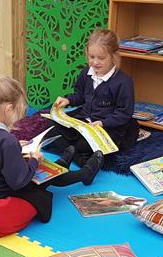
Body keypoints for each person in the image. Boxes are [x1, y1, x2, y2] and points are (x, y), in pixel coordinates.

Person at [0, 72, 104, 223]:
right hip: (0, 190)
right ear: (8, 109)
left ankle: (62, 164)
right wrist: (34, 161)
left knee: (38, 168)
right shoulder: (5, 140)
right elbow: (18, 181)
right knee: (44, 175)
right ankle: (85, 173)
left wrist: (16, 148)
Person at [51, 28, 139, 167]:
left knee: (83, 144)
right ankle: (81, 159)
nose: (95, 62)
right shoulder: (86, 72)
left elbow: (124, 113)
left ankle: (76, 155)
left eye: (101, 58)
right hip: (84, 119)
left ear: (114, 56)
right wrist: (68, 100)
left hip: (108, 125)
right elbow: (80, 95)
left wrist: (103, 123)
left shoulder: (123, 81)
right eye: (91, 57)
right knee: (50, 130)